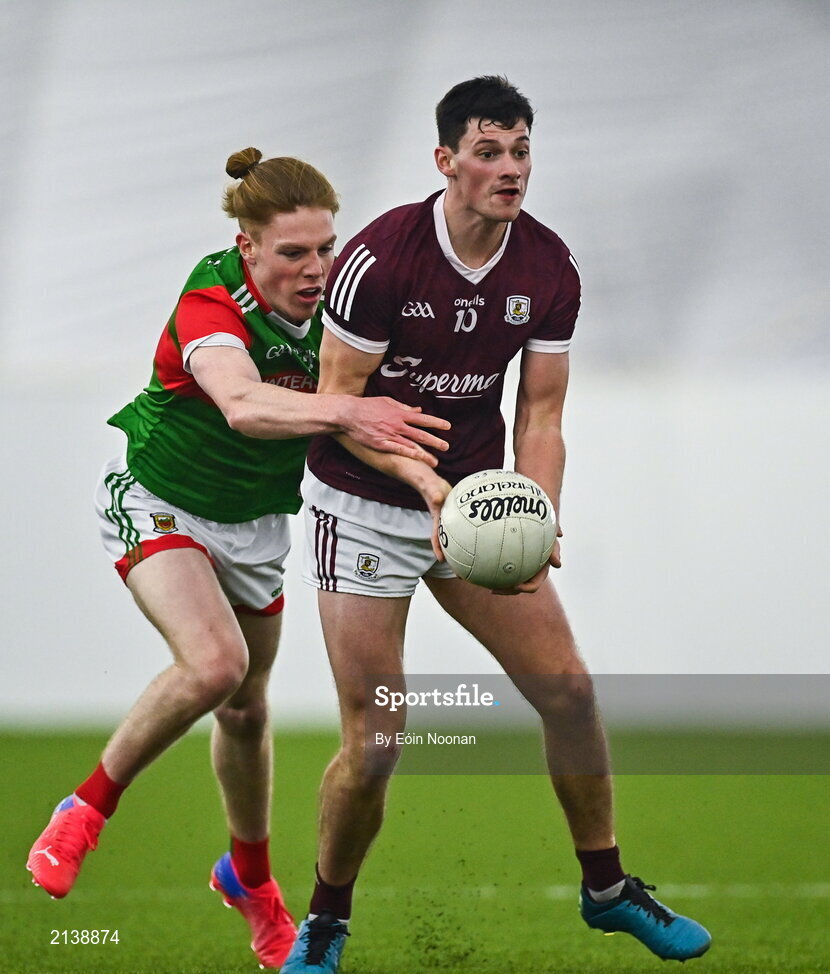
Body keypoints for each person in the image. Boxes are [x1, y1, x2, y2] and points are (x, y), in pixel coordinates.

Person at [279, 77, 713, 973]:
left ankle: (606, 891)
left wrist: (537, 512)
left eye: (520, 152)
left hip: (474, 507)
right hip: (363, 505)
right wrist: (429, 489)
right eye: (488, 152)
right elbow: (336, 403)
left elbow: (542, 414)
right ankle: (325, 922)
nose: (509, 169)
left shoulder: (549, 267)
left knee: (570, 692)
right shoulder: (380, 258)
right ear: (446, 162)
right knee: (380, 738)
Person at [25, 147, 450, 970]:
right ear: (248, 247)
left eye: (326, 247)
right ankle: (83, 810)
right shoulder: (211, 298)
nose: (317, 268)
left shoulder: (346, 307)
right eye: (294, 252)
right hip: (159, 499)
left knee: (249, 709)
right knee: (215, 664)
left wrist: (432, 485)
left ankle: (250, 880)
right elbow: (244, 405)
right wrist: (349, 412)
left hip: (257, 526)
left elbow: (370, 420)